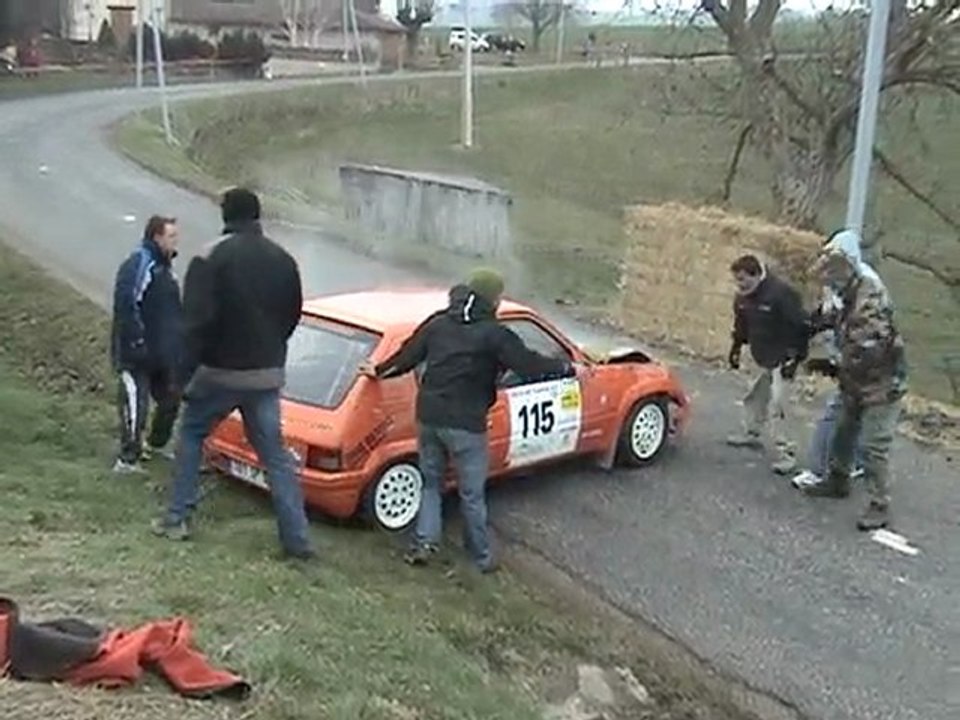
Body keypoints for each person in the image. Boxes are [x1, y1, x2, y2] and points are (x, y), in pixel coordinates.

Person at [359, 268, 576, 572]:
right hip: (466, 423)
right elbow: (529, 366)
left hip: (429, 416)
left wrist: (377, 370)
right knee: (471, 493)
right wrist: (566, 368)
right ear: (494, 300)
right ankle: (481, 557)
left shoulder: (438, 323)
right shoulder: (495, 334)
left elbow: (406, 357)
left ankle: (424, 543)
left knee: (431, 484)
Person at [151, 188, 313, 560]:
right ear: (257, 216)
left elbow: (195, 326)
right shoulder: (284, 260)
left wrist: (180, 378)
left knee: (191, 434)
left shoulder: (210, 258)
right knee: (274, 456)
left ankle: (177, 518)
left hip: (220, 372)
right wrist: (271, 353)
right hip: (267, 375)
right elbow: (292, 315)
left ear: (226, 216)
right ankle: (297, 540)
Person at [799, 231, 907, 531]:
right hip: (855, 379)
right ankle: (837, 480)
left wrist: (833, 363)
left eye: (834, 269)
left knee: (874, 446)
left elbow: (867, 346)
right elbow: (832, 320)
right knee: (843, 434)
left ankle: (879, 504)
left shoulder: (869, 296)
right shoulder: (846, 290)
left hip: (882, 383)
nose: (830, 276)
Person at [792, 230, 870, 489]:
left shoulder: (865, 288)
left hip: (864, 361)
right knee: (855, 415)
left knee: (834, 415)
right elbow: (831, 313)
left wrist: (839, 364)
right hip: (858, 357)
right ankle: (856, 462)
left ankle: (818, 470)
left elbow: (862, 332)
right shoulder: (843, 280)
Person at [110, 216, 183, 473]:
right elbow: (126, 304)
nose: (176, 241)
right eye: (172, 236)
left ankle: (156, 444)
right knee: (135, 405)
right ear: (157, 237)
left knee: (171, 399)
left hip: (163, 354)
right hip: (136, 353)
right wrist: (136, 341)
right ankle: (127, 459)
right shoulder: (139, 263)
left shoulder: (165, 269)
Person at [726, 254, 810, 475]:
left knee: (780, 405)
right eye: (737, 280)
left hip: (785, 357)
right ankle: (751, 433)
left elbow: (801, 326)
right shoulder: (743, 297)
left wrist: (795, 357)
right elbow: (741, 325)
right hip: (761, 354)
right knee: (755, 395)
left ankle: (787, 454)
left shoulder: (781, 294)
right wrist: (735, 348)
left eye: (743, 280)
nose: (740, 285)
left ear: (756, 275)